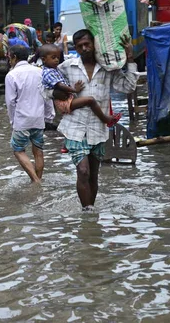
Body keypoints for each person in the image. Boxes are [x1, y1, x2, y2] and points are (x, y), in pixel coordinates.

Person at [56, 29, 137, 211]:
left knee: (93, 175)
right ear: (75, 48)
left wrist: (130, 58)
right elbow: (47, 87)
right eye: (80, 46)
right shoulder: (68, 67)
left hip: (98, 129)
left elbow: (128, 86)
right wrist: (63, 98)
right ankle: (87, 214)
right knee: (83, 171)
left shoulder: (108, 68)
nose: (84, 49)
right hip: (74, 128)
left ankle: (91, 213)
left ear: (94, 44)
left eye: (87, 44)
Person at [40, 44, 122, 127]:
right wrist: (74, 90)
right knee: (90, 100)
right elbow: (59, 85)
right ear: (43, 59)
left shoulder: (55, 69)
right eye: (53, 58)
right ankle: (106, 119)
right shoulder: (49, 72)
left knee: (89, 101)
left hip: (69, 102)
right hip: (64, 102)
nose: (57, 60)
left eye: (57, 57)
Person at [5, 45, 46, 183]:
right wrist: (49, 115)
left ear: (14, 57)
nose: (9, 60)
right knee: (38, 150)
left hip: (22, 119)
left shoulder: (11, 75)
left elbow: (10, 102)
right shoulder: (40, 72)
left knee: (18, 149)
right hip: (39, 118)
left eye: (9, 57)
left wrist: (12, 120)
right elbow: (47, 95)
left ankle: (35, 180)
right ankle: (38, 179)